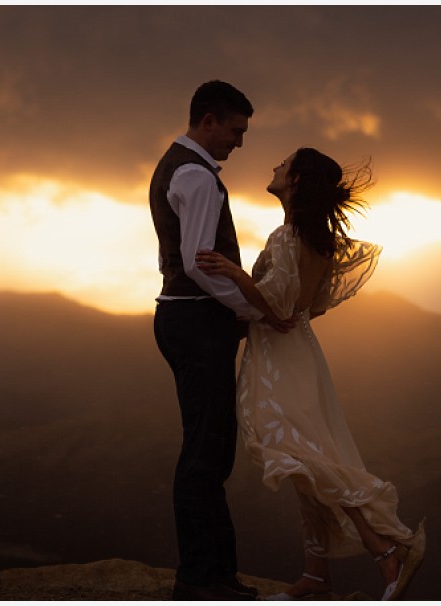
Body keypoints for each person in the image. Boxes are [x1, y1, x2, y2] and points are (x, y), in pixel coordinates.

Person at [196, 148, 427, 601]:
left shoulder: (287, 235)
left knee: (305, 458)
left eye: (283, 164)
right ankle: (317, 574)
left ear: (297, 180)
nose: (275, 166)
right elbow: (308, 307)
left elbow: (280, 304)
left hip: (283, 361)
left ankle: (386, 552)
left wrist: (235, 274)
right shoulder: (316, 239)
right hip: (300, 352)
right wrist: (278, 313)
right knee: (307, 462)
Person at [150, 80, 292, 601]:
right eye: (236, 130)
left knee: (209, 447)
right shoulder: (195, 175)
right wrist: (250, 309)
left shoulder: (181, 166)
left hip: (185, 318)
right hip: (197, 321)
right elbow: (199, 263)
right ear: (209, 120)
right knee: (206, 453)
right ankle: (200, 578)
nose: (240, 142)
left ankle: (215, 573)